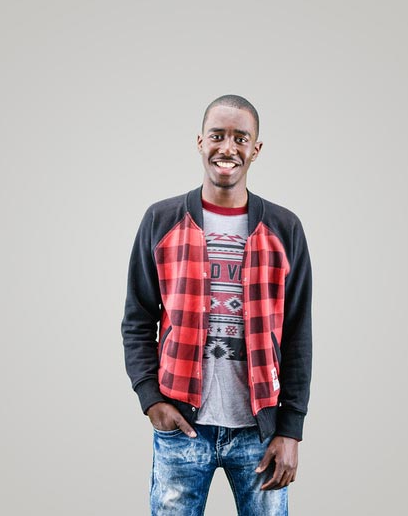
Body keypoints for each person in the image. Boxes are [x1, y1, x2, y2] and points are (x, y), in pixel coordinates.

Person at [121, 94, 313, 515]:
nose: (228, 148)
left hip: (261, 432)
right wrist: (151, 398)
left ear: (256, 149)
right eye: (218, 135)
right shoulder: (162, 220)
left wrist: (291, 431)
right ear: (199, 142)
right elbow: (137, 318)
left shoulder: (285, 228)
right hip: (182, 427)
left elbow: (298, 334)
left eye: (240, 138)